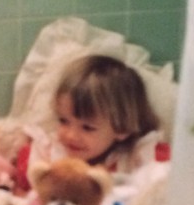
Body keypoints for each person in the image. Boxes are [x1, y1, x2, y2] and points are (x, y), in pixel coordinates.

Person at [16, 54, 167, 190]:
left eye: (87, 127)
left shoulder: (134, 158)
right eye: (63, 120)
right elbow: (25, 198)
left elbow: (160, 193)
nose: (70, 135)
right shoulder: (49, 153)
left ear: (122, 128)